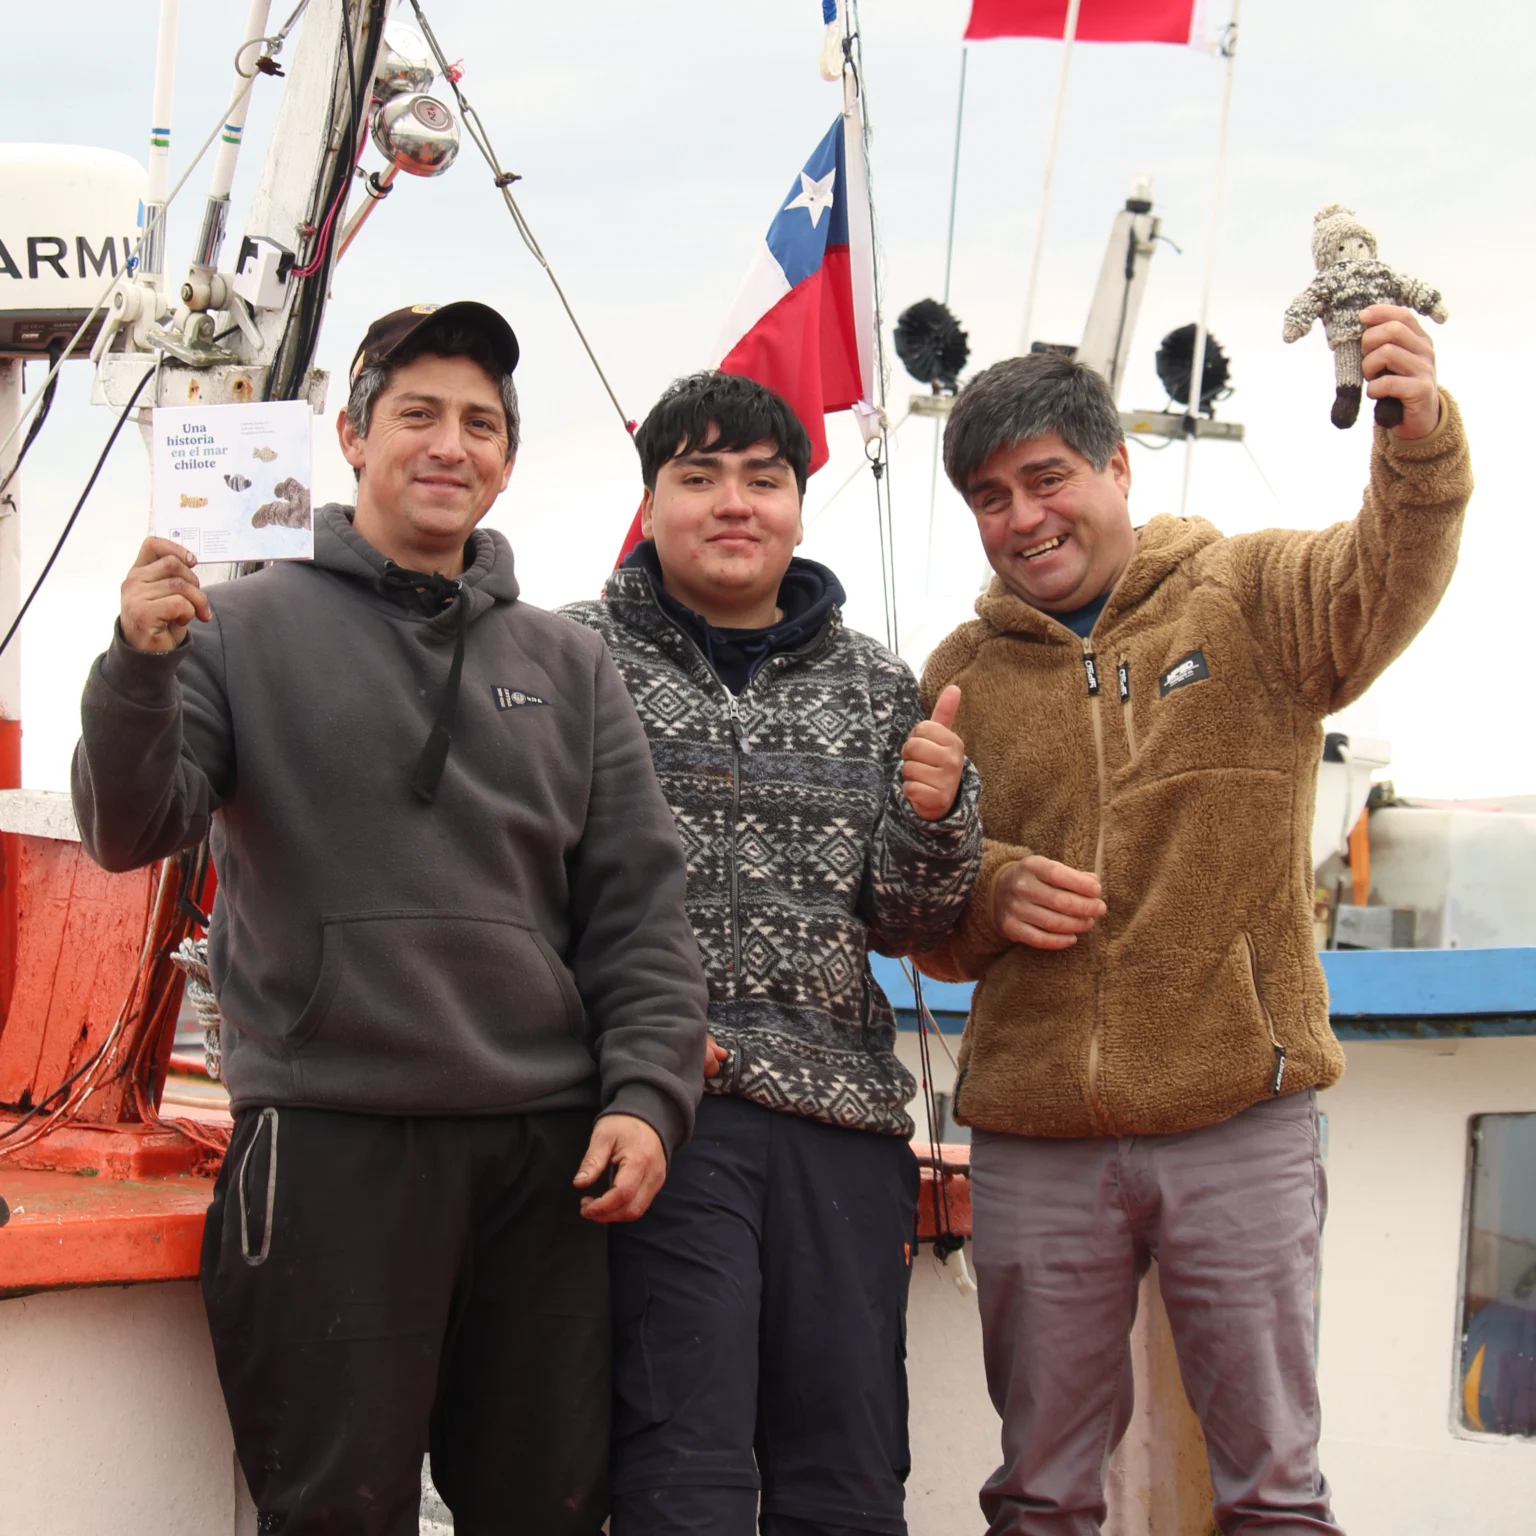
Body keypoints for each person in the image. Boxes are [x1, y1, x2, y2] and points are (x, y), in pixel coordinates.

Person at [71, 301, 710, 1536]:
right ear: (353, 440)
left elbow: (638, 909)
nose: (449, 443)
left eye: (480, 423)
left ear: (508, 461)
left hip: (543, 1161)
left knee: (546, 1510)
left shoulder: (571, 664)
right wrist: (136, 665)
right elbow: (127, 828)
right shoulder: (234, 625)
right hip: (326, 1146)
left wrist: (644, 1098)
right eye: (417, 413)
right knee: (333, 1513)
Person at [914, 307, 1472, 1535]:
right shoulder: (960, 670)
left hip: (1241, 1117)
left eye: (1047, 479)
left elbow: (1393, 564)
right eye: (992, 498)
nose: (1024, 519)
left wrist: (1415, 429)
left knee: (1274, 1487)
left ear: (1119, 469)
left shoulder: (1253, 594)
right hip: (1034, 1135)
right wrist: (992, 884)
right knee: (1039, 1494)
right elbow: (929, 930)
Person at [560, 370, 983, 1536]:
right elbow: (518, 889)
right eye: (697, 478)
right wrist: (620, 1053)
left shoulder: (879, 683)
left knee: (846, 1472)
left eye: (762, 478)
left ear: (801, 502)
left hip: (844, 1133)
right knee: (678, 1466)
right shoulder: (567, 661)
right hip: (661, 1116)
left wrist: (938, 818)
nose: (732, 503)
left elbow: (910, 922)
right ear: (649, 503)